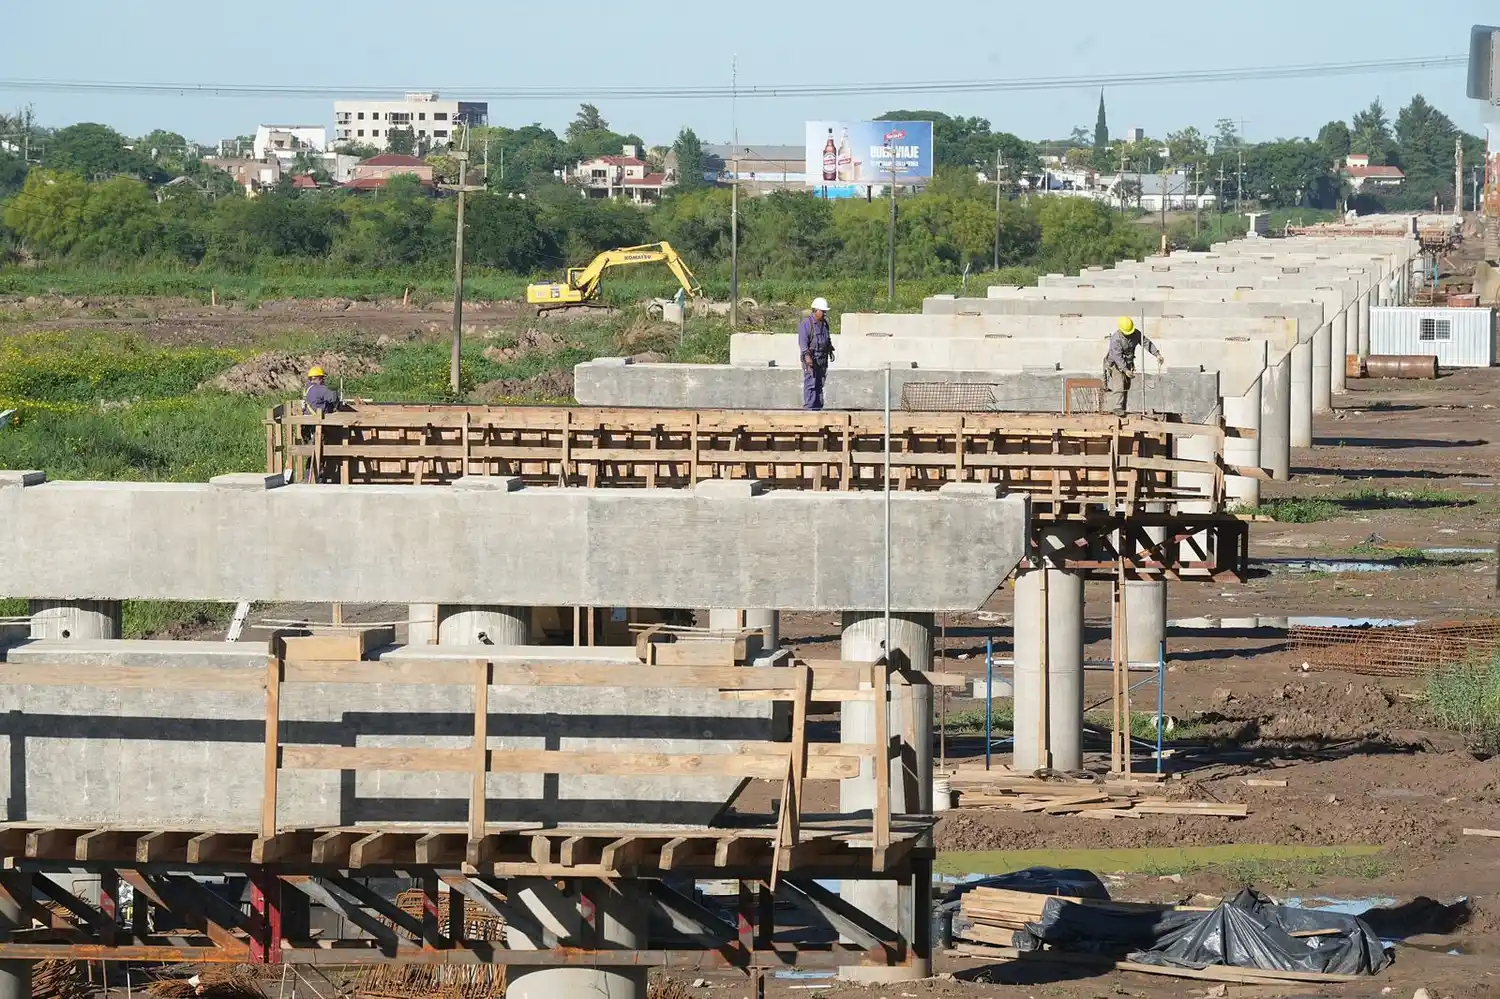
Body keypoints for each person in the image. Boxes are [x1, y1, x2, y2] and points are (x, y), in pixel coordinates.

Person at [1103, 317, 1165, 415]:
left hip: (1128, 363)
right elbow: (1117, 357)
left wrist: (1157, 354)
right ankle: (1117, 408)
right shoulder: (1116, 339)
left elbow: (1146, 342)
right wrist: (1125, 370)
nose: (1129, 335)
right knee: (1119, 385)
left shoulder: (1135, 334)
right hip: (1116, 365)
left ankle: (1122, 408)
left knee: (1126, 386)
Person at [798, 297, 835, 411]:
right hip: (812, 360)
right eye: (823, 311)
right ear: (816, 310)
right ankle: (809, 410)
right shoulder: (807, 323)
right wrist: (808, 359)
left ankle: (818, 409)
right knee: (811, 384)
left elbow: (827, 339)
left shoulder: (824, 324)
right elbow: (803, 343)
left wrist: (830, 351)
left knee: (820, 385)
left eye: (825, 311)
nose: (824, 313)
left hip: (822, 360)